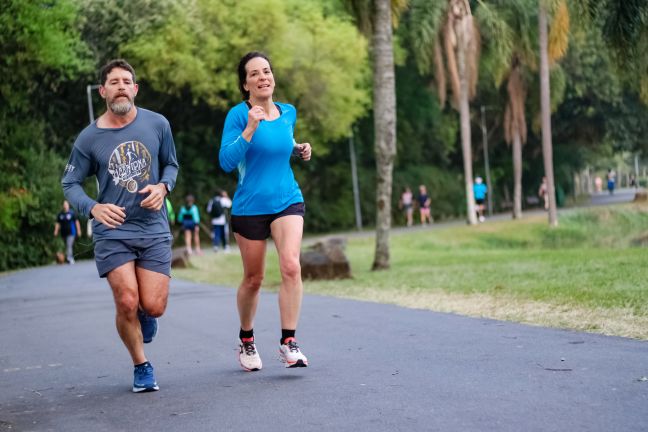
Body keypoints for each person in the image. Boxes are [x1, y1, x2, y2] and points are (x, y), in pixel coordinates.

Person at [61, 59, 179, 393]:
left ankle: (147, 315)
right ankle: (141, 365)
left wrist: (162, 187)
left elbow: (171, 164)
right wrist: (93, 208)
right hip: (113, 231)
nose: (121, 86)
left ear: (136, 88)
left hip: (153, 227)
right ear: (103, 91)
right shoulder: (89, 138)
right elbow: (69, 184)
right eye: (114, 82)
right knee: (126, 300)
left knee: (153, 305)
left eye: (127, 81)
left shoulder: (157, 124)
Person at [219, 51, 312, 371]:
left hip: (287, 199)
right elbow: (227, 161)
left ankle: (289, 341)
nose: (263, 77)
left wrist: (297, 148)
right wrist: (249, 128)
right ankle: (246, 339)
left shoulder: (288, 112)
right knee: (254, 279)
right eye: (255, 74)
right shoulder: (237, 115)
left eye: (267, 71)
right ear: (245, 84)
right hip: (250, 206)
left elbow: (280, 143)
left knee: (290, 266)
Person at [54, 200, 82, 264]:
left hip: (71, 232)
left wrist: (79, 230)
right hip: (63, 233)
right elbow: (57, 223)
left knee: (69, 245)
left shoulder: (72, 213)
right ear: (63, 206)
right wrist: (56, 231)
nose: (65, 206)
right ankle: (67, 257)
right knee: (66, 245)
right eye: (64, 205)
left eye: (66, 204)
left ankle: (70, 258)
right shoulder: (60, 214)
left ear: (68, 205)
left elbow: (76, 222)